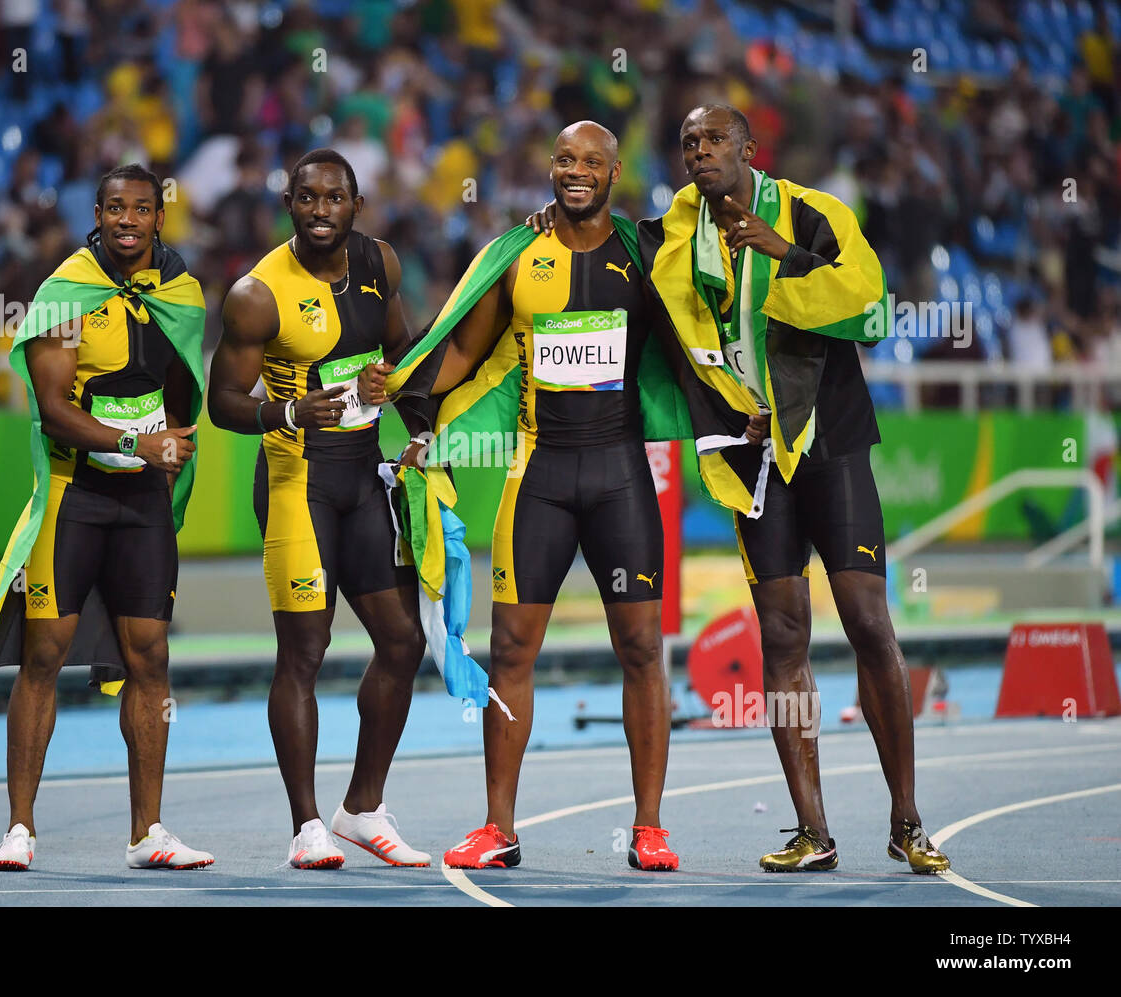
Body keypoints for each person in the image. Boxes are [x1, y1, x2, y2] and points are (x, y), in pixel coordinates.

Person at [529, 105, 948, 873]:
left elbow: (872, 309)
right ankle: (813, 830)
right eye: (688, 142)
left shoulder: (813, 214)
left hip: (826, 442)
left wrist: (784, 252)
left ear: (749, 149)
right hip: (750, 455)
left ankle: (908, 820)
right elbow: (606, 239)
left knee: (866, 619)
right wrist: (551, 220)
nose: (699, 150)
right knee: (782, 635)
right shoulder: (673, 233)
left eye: (714, 139)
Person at [377, 122, 689, 872]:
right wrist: (404, 387)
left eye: (591, 162)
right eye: (565, 160)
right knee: (512, 648)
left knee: (642, 648)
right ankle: (498, 827)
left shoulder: (647, 254)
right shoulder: (518, 254)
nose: (577, 172)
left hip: (620, 478)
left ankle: (649, 827)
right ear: (550, 168)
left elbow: (696, 320)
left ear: (615, 171)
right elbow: (462, 348)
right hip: (538, 479)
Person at [0, 164, 213, 872]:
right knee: (44, 654)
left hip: (144, 502)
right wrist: (137, 443)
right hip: (76, 498)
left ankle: (148, 833)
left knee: (151, 657)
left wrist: (171, 443)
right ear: (97, 214)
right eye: (115, 208)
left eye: (141, 209)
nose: (128, 220)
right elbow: (54, 411)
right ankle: (18, 828)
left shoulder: (182, 293)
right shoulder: (66, 292)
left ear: (159, 216)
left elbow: (182, 385)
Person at [208, 149, 431, 870]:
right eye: (307, 198)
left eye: (335, 198)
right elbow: (221, 403)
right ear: (290, 204)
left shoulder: (380, 263)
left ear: (356, 204)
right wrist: (286, 411)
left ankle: (362, 807)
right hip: (296, 483)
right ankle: (306, 825)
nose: (321, 211)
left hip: (363, 478)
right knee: (304, 651)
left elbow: (401, 351)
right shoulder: (257, 294)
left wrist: (420, 428)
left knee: (403, 641)